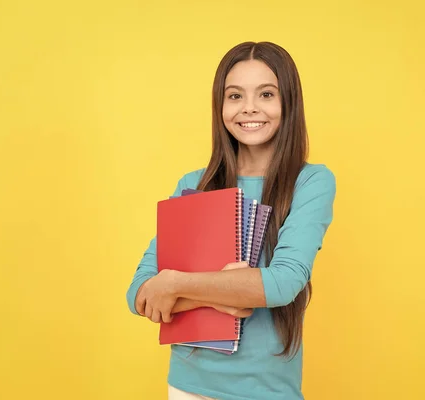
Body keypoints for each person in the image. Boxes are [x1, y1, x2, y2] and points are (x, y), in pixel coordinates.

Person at [126, 41, 336, 400]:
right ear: (220, 106)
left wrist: (176, 284)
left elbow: (282, 283)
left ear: (288, 102)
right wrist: (215, 290)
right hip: (188, 386)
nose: (250, 108)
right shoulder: (193, 185)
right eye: (235, 96)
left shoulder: (311, 182)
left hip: (266, 390)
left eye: (266, 94)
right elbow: (141, 294)